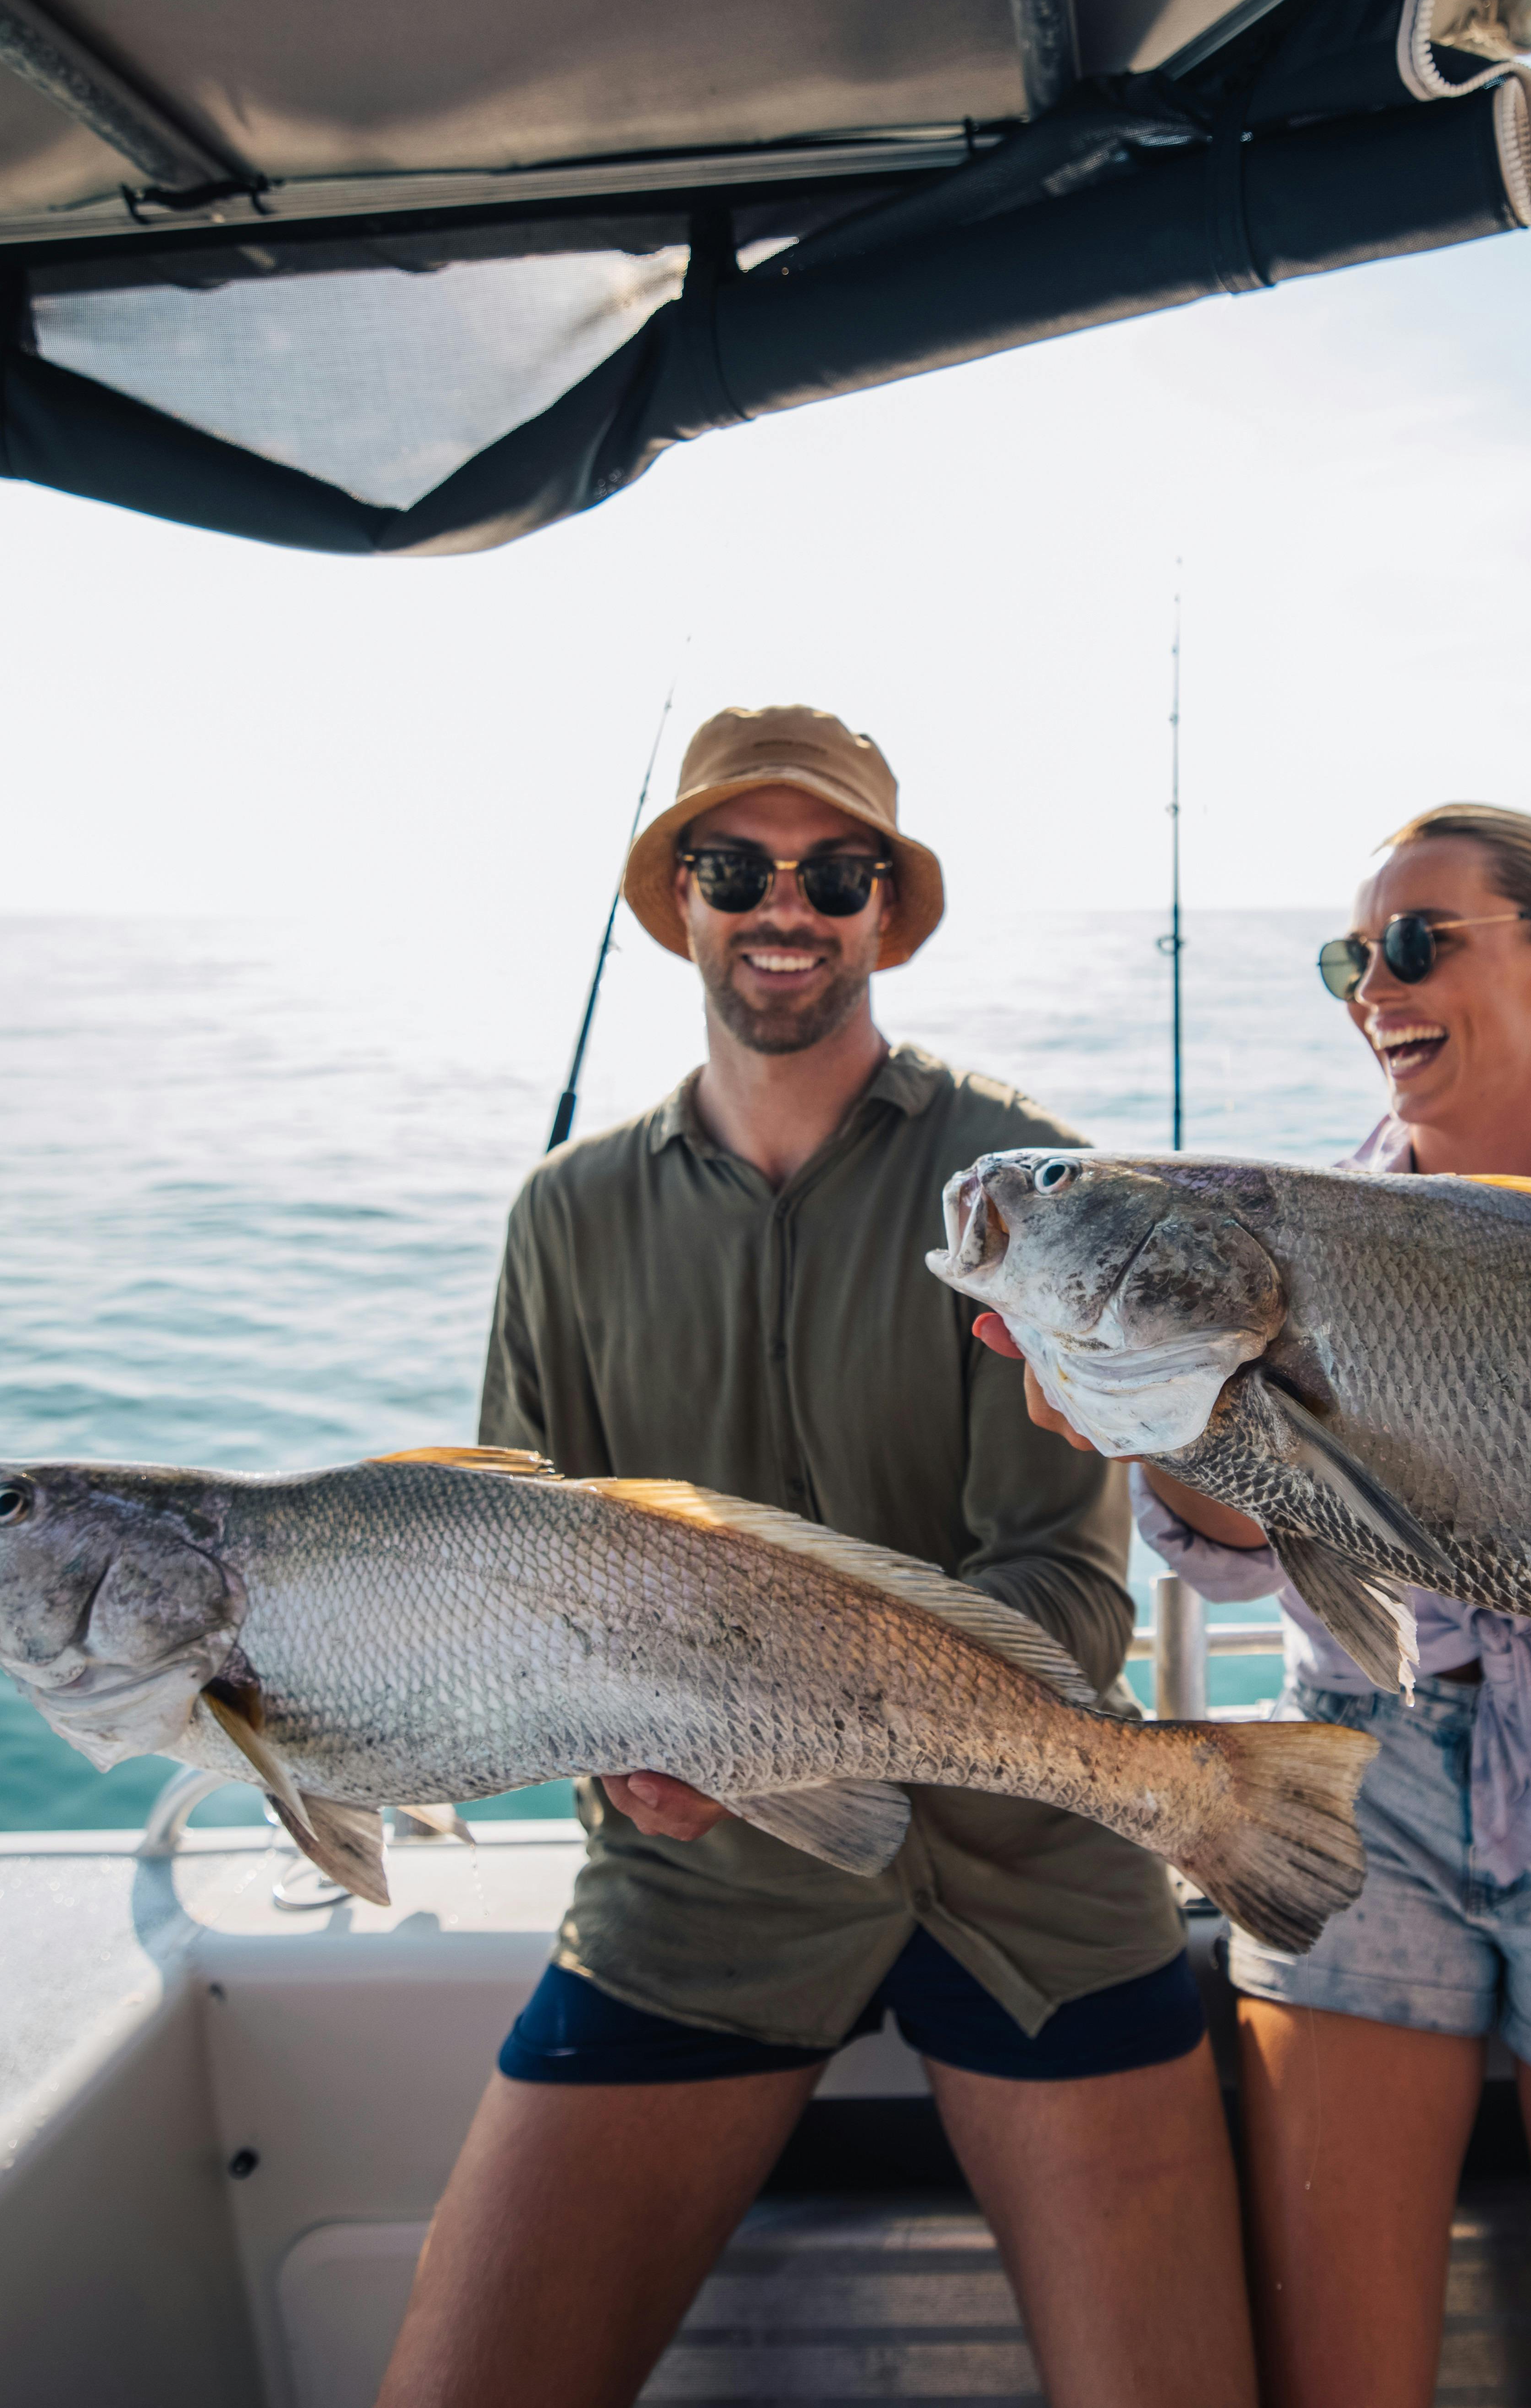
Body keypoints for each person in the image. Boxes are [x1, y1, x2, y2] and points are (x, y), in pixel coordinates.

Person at [377, 708, 1257, 2408]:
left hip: (1037, 1865)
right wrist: (635, 1754)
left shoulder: (1028, 1196)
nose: (786, 905)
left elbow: (1070, 1588)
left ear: (884, 913)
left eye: (833, 872)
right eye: (736, 868)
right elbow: (510, 1579)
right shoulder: (564, 1217)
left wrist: (775, 1734)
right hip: (697, 1894)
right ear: (682, 905)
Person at [983, 802, 1531, 2408]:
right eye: (1351, 958)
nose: (1377, 984)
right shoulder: (1279, 1238)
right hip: (1362, 1783)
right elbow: (1242, 1558)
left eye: (1418, 942)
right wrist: (1158, 1417)